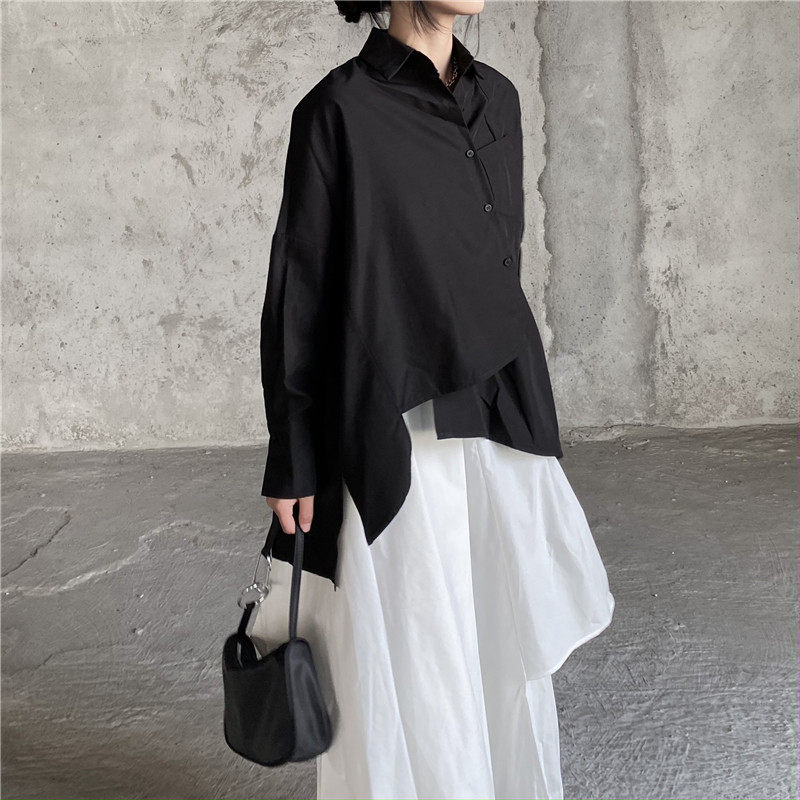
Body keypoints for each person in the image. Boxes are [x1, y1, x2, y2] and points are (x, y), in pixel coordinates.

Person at [252, 2, 615, 798]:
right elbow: (300, 294)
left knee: (498, 639)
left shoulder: (500, 98)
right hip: (396, 425)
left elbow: (500, 255)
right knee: (417, 652)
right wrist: (295, 456)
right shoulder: (337, 111)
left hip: (494, 417)